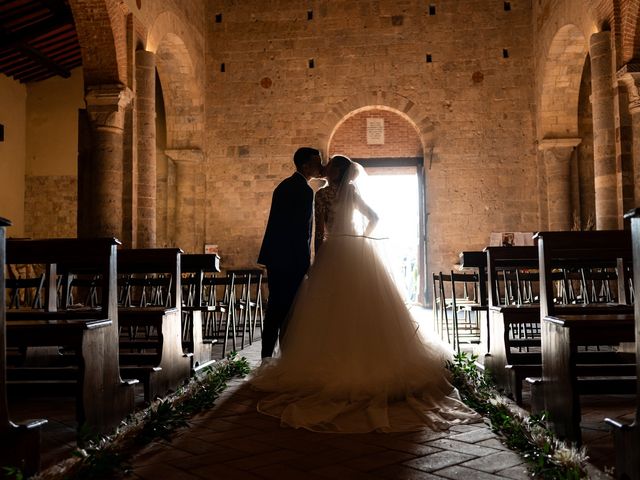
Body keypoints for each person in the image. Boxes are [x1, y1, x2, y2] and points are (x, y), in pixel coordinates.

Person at [251, 155, 481, 433]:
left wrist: (318, 259)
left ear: (337, 170)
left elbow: (319, 233)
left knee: (329, 311)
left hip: (333, 252)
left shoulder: (321, 194)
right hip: (354, 250)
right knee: (361, 308)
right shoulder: (353, 191)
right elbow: (374, 218)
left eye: (330, 165)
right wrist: (359, 238)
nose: (325, 167)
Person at [257, 147, 323, 359]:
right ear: (305, 166)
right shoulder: (304, 191)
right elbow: (302, 231)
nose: (320, 166)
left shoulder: (283, 186)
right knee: (289, 310)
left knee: (275, 307)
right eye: (316, 162)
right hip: (291, 259)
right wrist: (306, 263)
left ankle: (267, 355)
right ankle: (286, 357)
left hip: (276, 257)